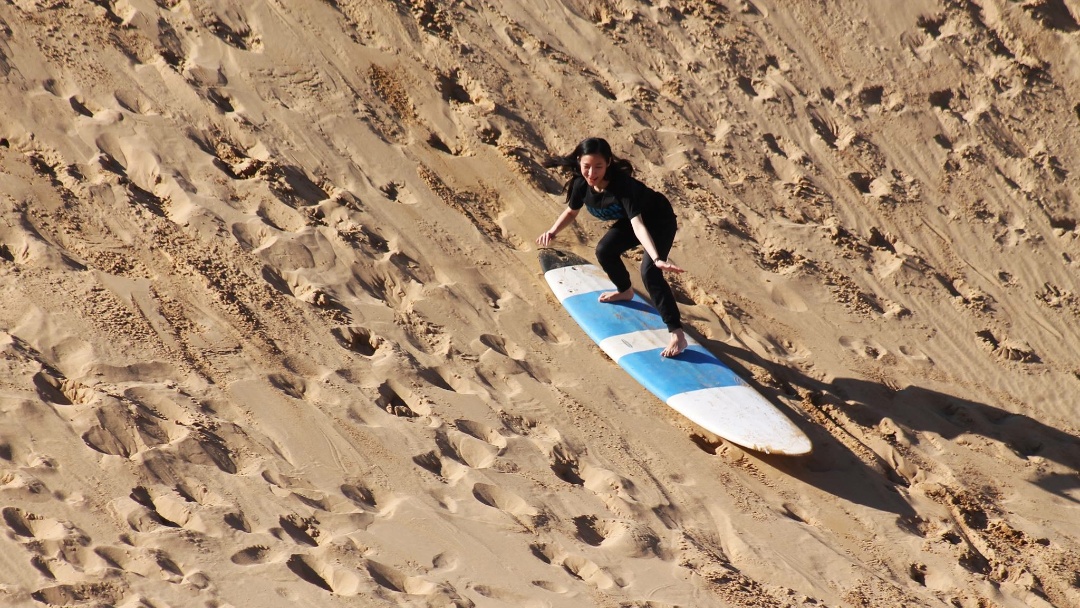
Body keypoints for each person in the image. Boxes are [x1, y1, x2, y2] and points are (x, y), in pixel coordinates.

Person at [536, 137, 688, 357]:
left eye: (598, 167)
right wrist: (552, 231)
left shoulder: (623, 187)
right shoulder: (581, 184)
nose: (591, 173)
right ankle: (625, 290)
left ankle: (677, 334)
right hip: (633, 220)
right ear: (579, 161)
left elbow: (638, 225)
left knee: (650, 273)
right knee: (604, 251)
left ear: (608, 163)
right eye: (586, 166)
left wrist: (656, 258)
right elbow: (571, 211)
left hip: (658, 220)